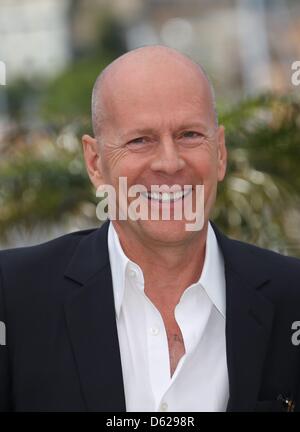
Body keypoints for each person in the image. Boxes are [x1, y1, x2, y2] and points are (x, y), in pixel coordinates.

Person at [0, 45, 300, 412]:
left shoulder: (293, 297)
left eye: (189, 134)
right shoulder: (12, 300)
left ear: (220, 152)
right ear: (95, 163)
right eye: (140, 140)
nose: (170, 163)